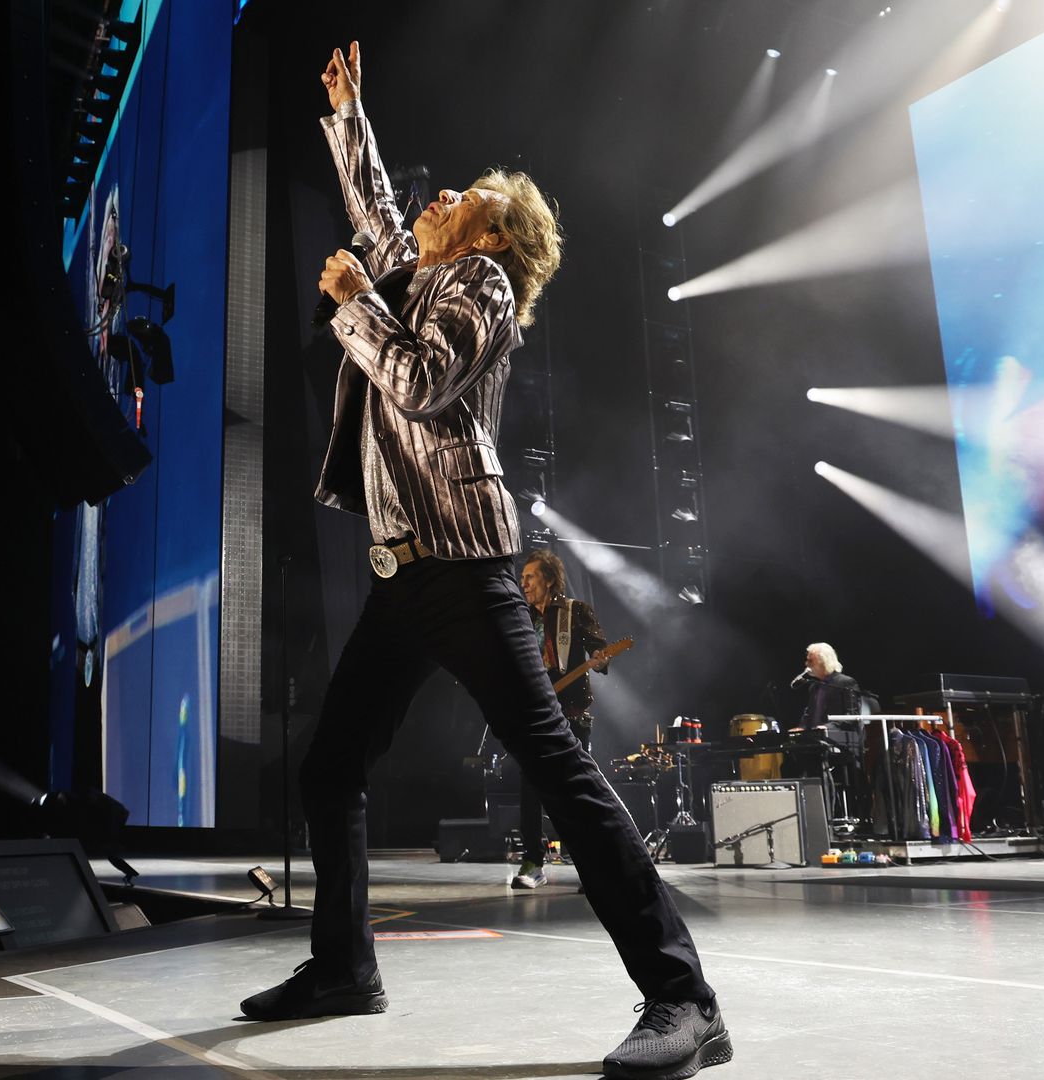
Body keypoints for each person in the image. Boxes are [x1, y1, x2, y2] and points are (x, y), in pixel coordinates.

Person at [239, 41, 732, 1079]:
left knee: (556, 769)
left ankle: (685, 998)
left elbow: (418, 383)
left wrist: (351, 303)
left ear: (495, 231)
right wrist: (349, 112)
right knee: (332, 768)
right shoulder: (424, 265)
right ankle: (344, 969)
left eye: (464, 194)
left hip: (461, 566)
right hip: (400, 572)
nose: (440, 196)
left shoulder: (484, 288)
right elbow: (378, 214)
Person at [512, 548, 611, 890]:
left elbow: (600, 650)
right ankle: (532, 861)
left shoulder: (575, 611)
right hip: (535, 715)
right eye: (522, 577)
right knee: (530, 790)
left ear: (550, 579)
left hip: (570, 715)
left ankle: (591, 864)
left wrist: (599, 658)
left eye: (530, 577)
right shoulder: (520, 617)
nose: (523, 582)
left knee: (575, 792)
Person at [793, 643, 859, 732]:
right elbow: (809, 713)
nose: (806, 663)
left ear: (824, 661)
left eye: (811, 660)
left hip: (840, 738)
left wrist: (828, 727)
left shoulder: (845, 682)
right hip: (817, 737)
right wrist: (802, 727)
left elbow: (852, 715)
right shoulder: (814, 686)